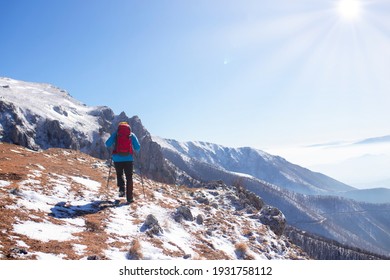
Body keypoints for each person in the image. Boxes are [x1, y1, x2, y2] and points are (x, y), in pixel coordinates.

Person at [105, 122, 140, 203]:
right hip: (129, 158)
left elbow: (107, 144)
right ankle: (130, 198)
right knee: (129, 177)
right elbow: (138, 147)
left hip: (117, 158)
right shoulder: (131, 135)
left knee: (119, 174)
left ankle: (121, 191)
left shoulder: (116, 134)